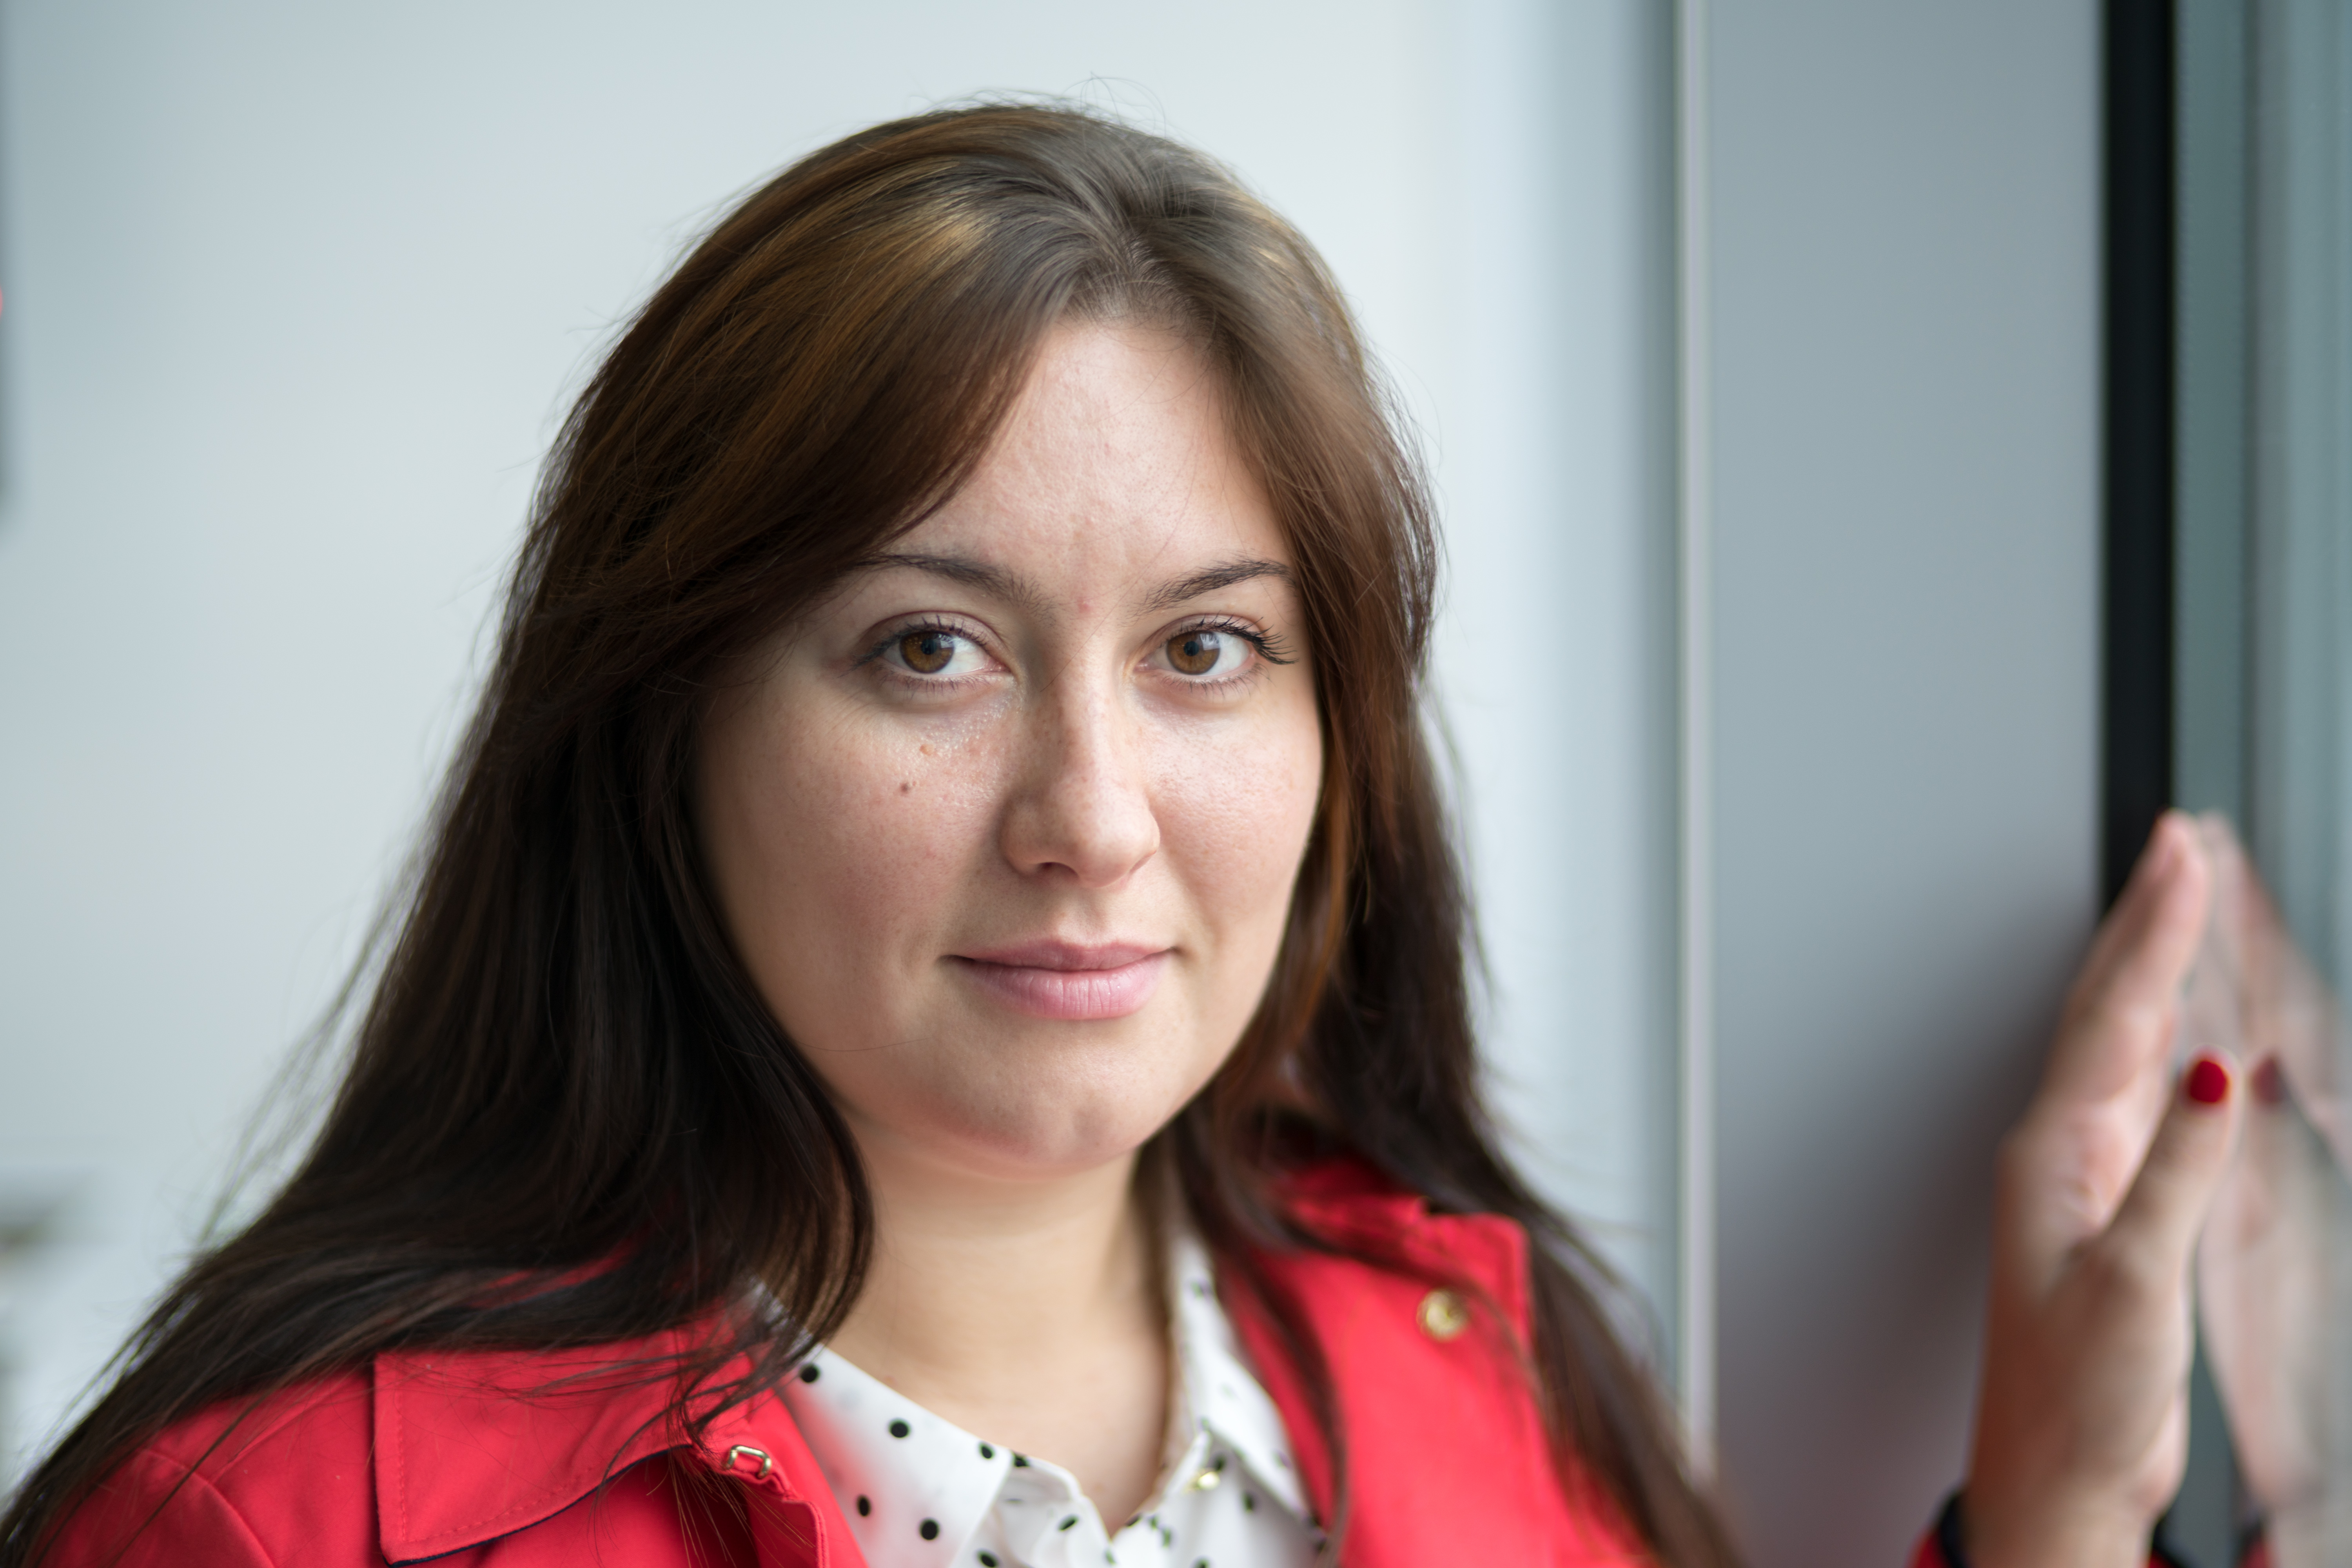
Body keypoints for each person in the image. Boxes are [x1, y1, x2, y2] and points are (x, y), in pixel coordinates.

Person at [0, 104, 2246, 1568]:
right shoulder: (271, 1529)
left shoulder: (1481, 1368)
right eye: (929, 651)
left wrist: (2051, 1510)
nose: (1091, 820)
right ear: (661, 727)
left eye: (1206, 651)